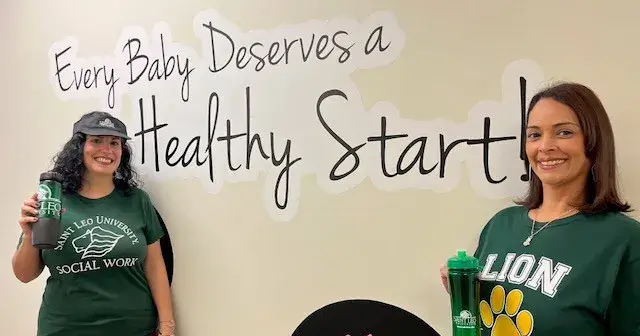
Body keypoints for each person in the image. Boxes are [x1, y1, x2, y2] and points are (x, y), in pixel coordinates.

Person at [439, 82, 640, 335]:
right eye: (534, 134)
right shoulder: (500, 225)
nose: (545, 146)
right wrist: (463, 293)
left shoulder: (624, 239)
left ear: (593, 141)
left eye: (564, 132)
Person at [12, 111, 176, 336]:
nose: (106, 150)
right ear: (78, 148)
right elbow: (24, 275)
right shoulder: (51, 200)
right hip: (65, 330)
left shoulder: (137, 200)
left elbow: (155, 266)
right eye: (96, 140)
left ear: (122, 151)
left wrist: (167, 326)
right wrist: (30, 235)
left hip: (134, 329)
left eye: (114, 143)